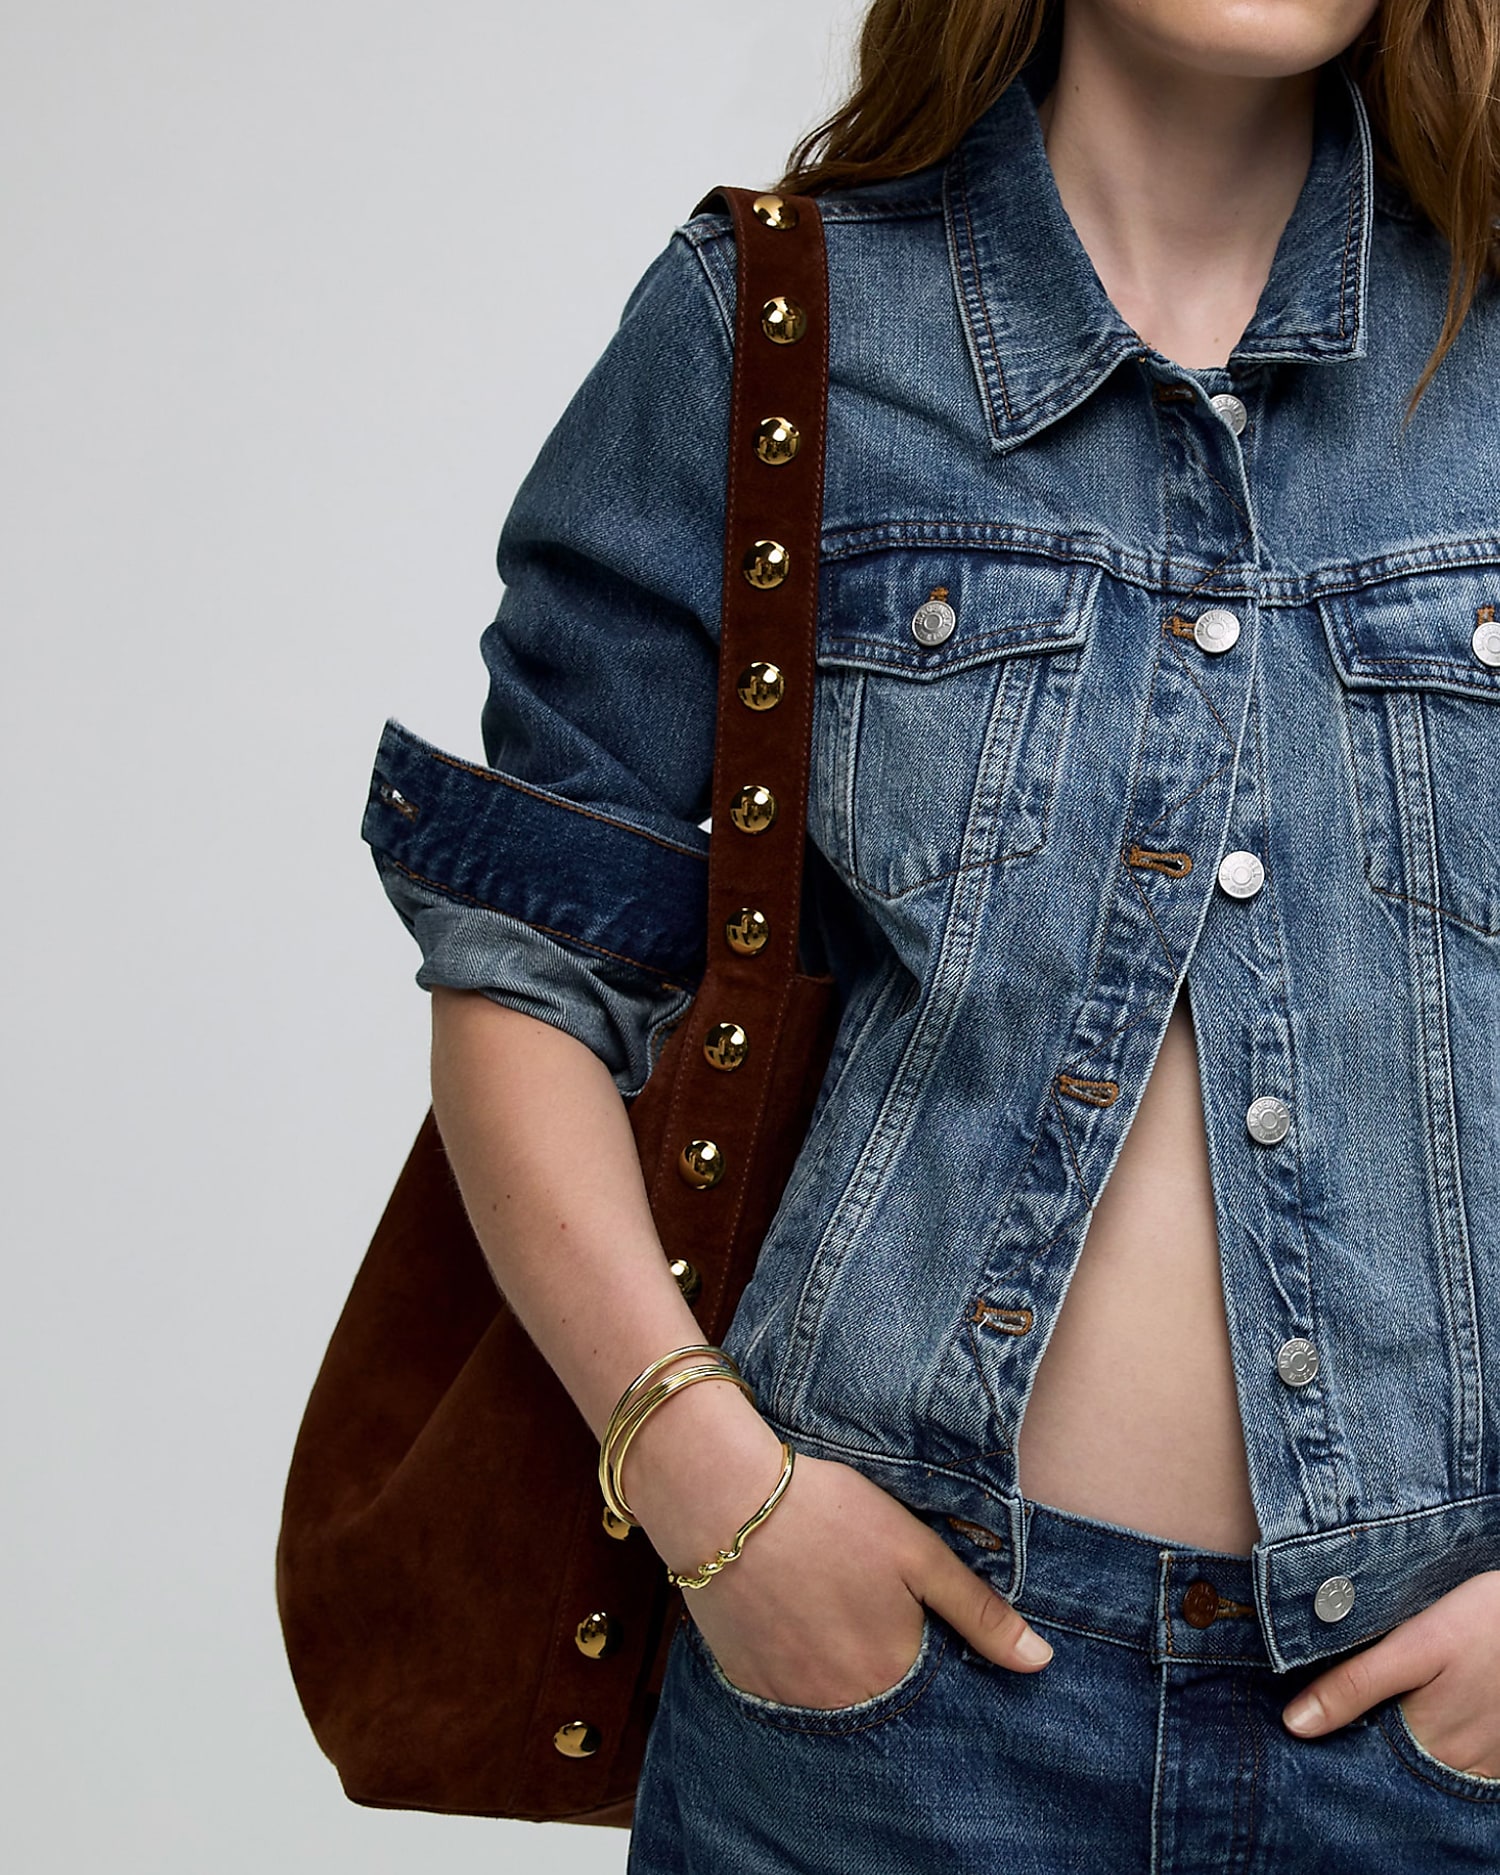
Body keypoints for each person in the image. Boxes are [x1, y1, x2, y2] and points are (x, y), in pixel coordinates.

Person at [363, 0, 1500, 1865]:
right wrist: (712, 1489)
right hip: (884, 1727)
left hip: (1438, 1752)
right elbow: (534, 966)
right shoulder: (778, 332)